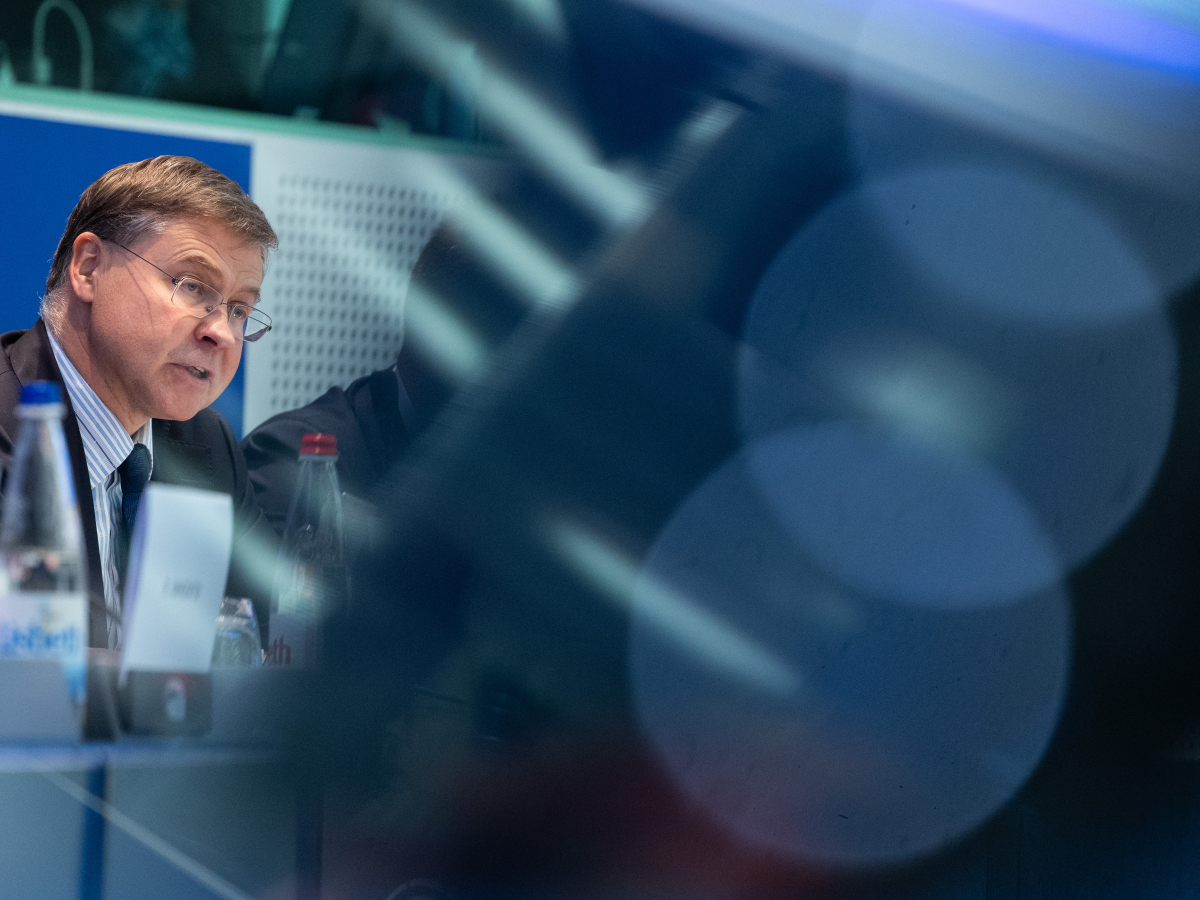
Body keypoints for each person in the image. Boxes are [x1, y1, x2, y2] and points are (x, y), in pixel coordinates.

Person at [0, 155, 278, 650]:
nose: (221, 333)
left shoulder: (210, 448)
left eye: (239, 310)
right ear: (89, 268)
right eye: (192, 286)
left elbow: (249, 658)